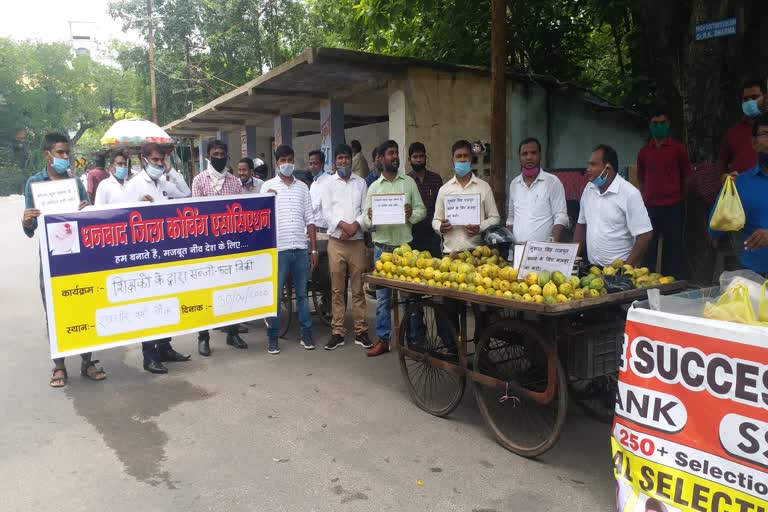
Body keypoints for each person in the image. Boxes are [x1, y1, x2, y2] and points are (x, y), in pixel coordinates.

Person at [23, 132, 106, 388]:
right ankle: (59, 366)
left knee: (82, 305)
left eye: (67, 153)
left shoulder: (74, 182)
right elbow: (30, 228)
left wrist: (86, 211)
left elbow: (89, 219)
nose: (65, 157)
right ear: (47, 154)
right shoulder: (34, 183)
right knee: (55, 309)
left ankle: (87, 361)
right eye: (60, 153)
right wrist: (26, 220)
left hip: (77, 254)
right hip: (51, 256)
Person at [123, 143, 192, 374]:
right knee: (150, 306)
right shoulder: (133, 186)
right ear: (144, 160)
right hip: (144, 253)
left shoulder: (164, 182)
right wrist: (139, 208)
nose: (158, 164)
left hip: (165, 251)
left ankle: (165, 347)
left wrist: (171, 170)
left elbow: (186, 194)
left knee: (167, 302)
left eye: (161, 160)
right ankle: (149, 355)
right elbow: (121, 219)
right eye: (155, 160)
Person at [361, 140, 426, 356]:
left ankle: (413, 341)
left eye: (396, 152)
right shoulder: (373, 187)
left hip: (405, 249)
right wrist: (370, 218)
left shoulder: (408, 183)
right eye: (390, 153)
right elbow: (366, 221)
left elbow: (421, 211)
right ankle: (383, 340)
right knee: (382, 300)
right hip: (382, 249)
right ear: (380, 158)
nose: (394, 156)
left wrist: (411, 213)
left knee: (409, 298)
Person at [191, 140, 246, 356]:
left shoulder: (234, 181)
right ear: (208, 156)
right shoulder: (199, 181)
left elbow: (239, 212)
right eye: (215, 153)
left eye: (222, 153)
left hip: (230, 245)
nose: (219, 157)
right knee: (205, 294)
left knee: (232, 290)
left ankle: (233, 333)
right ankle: (203, 338)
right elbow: (197, 214)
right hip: (207, 246)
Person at [262, 145, 319, 354]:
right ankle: (273, 337)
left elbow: (310, 220)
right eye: (283, 160)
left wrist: (313, 250)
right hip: (278, 250)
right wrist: (265, 199)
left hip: (300, 249)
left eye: (290, 159)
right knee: (275, 297)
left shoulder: (303, 187)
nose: (287, 163)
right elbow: (260, 219)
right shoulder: (267, 187)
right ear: (277, 162)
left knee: (302, 295)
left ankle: (306, 333)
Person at [319, 144, 371, 351]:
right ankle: (338, 332)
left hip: (357, 241)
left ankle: (361, 331)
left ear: (352, 160)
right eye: (339, 158)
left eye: (346, 158)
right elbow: (326, 212)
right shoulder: (328, 184)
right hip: (337, 242)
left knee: (358, 290)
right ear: (335, 162)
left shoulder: (361, 183)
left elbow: (367, 210)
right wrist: (343, 225)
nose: (343, 162)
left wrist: (355, 225)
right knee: (337, 289)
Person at [574, 144, 653, 267]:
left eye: (593, 165)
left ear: (608, 169)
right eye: (589, 164)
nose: (588, 169)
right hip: (592, 270)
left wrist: (626, 269)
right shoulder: (589, 189)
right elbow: (581, 225)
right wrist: (572, 257)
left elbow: (645, 235)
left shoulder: (629, 193)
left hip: (619, 271)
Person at [710, 114, 768, 276]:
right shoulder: (740, 183)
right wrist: (728, 195)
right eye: (765, 134)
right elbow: (714, 229)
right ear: (754, 143)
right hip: (753, 276)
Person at [637, 110, 692, 277]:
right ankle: (646, 285)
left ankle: (672, 286)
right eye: (655, 124)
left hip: (673, 207)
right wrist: (645, 199)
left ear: (668, 124)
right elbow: (641, 178)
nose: (658, 127)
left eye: (662, 123)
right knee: (648, 249)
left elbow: (686, 177)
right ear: (650, 126)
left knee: (673, 249)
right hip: (650, 208)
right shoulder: (644, 152)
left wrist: (678, 197)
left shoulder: (678, 149)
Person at [432, 140, 501, 254]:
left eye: (466, 156)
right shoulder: (444, 190)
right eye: (458, 156)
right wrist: (440, 227)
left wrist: (480, 227)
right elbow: (436, 220)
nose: (462, 159)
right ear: (452, 160)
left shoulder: (484, 187)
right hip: (450, 254)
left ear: (471, 158)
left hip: (477, 253)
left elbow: (495, 218)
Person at [506, 137, 568, 243]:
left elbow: (560, 216)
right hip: (518, 250)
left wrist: (552, 243)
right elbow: (511, 220)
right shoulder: (514, 184)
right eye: (524, 154)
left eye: (533, 153)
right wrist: (510, 247)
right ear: (519, 158)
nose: (529, 157)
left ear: (540, 156)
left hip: (543, 251)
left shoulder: (552, 182)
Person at [719, 79, 766, 177]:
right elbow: (722, 161)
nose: (750, 102)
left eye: (754, 97)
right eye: (745, 99)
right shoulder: (733, 132)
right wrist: (725, 180)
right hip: (742, 189)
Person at [407, 142, 443, 256]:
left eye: (421, 156)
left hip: (433, 233)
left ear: (425, 158)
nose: (418, 160)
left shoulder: (436, 179)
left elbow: (441, 205)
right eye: (415, 157)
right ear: (409, 159)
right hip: (413, 233)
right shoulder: (406, 181)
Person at [308, 149, 331, 231]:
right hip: (314, 228)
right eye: (310, 164)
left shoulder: (330, 181)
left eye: (315, 163)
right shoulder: (313, 184)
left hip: (326, 229)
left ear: (322, 164)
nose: (312, 166)